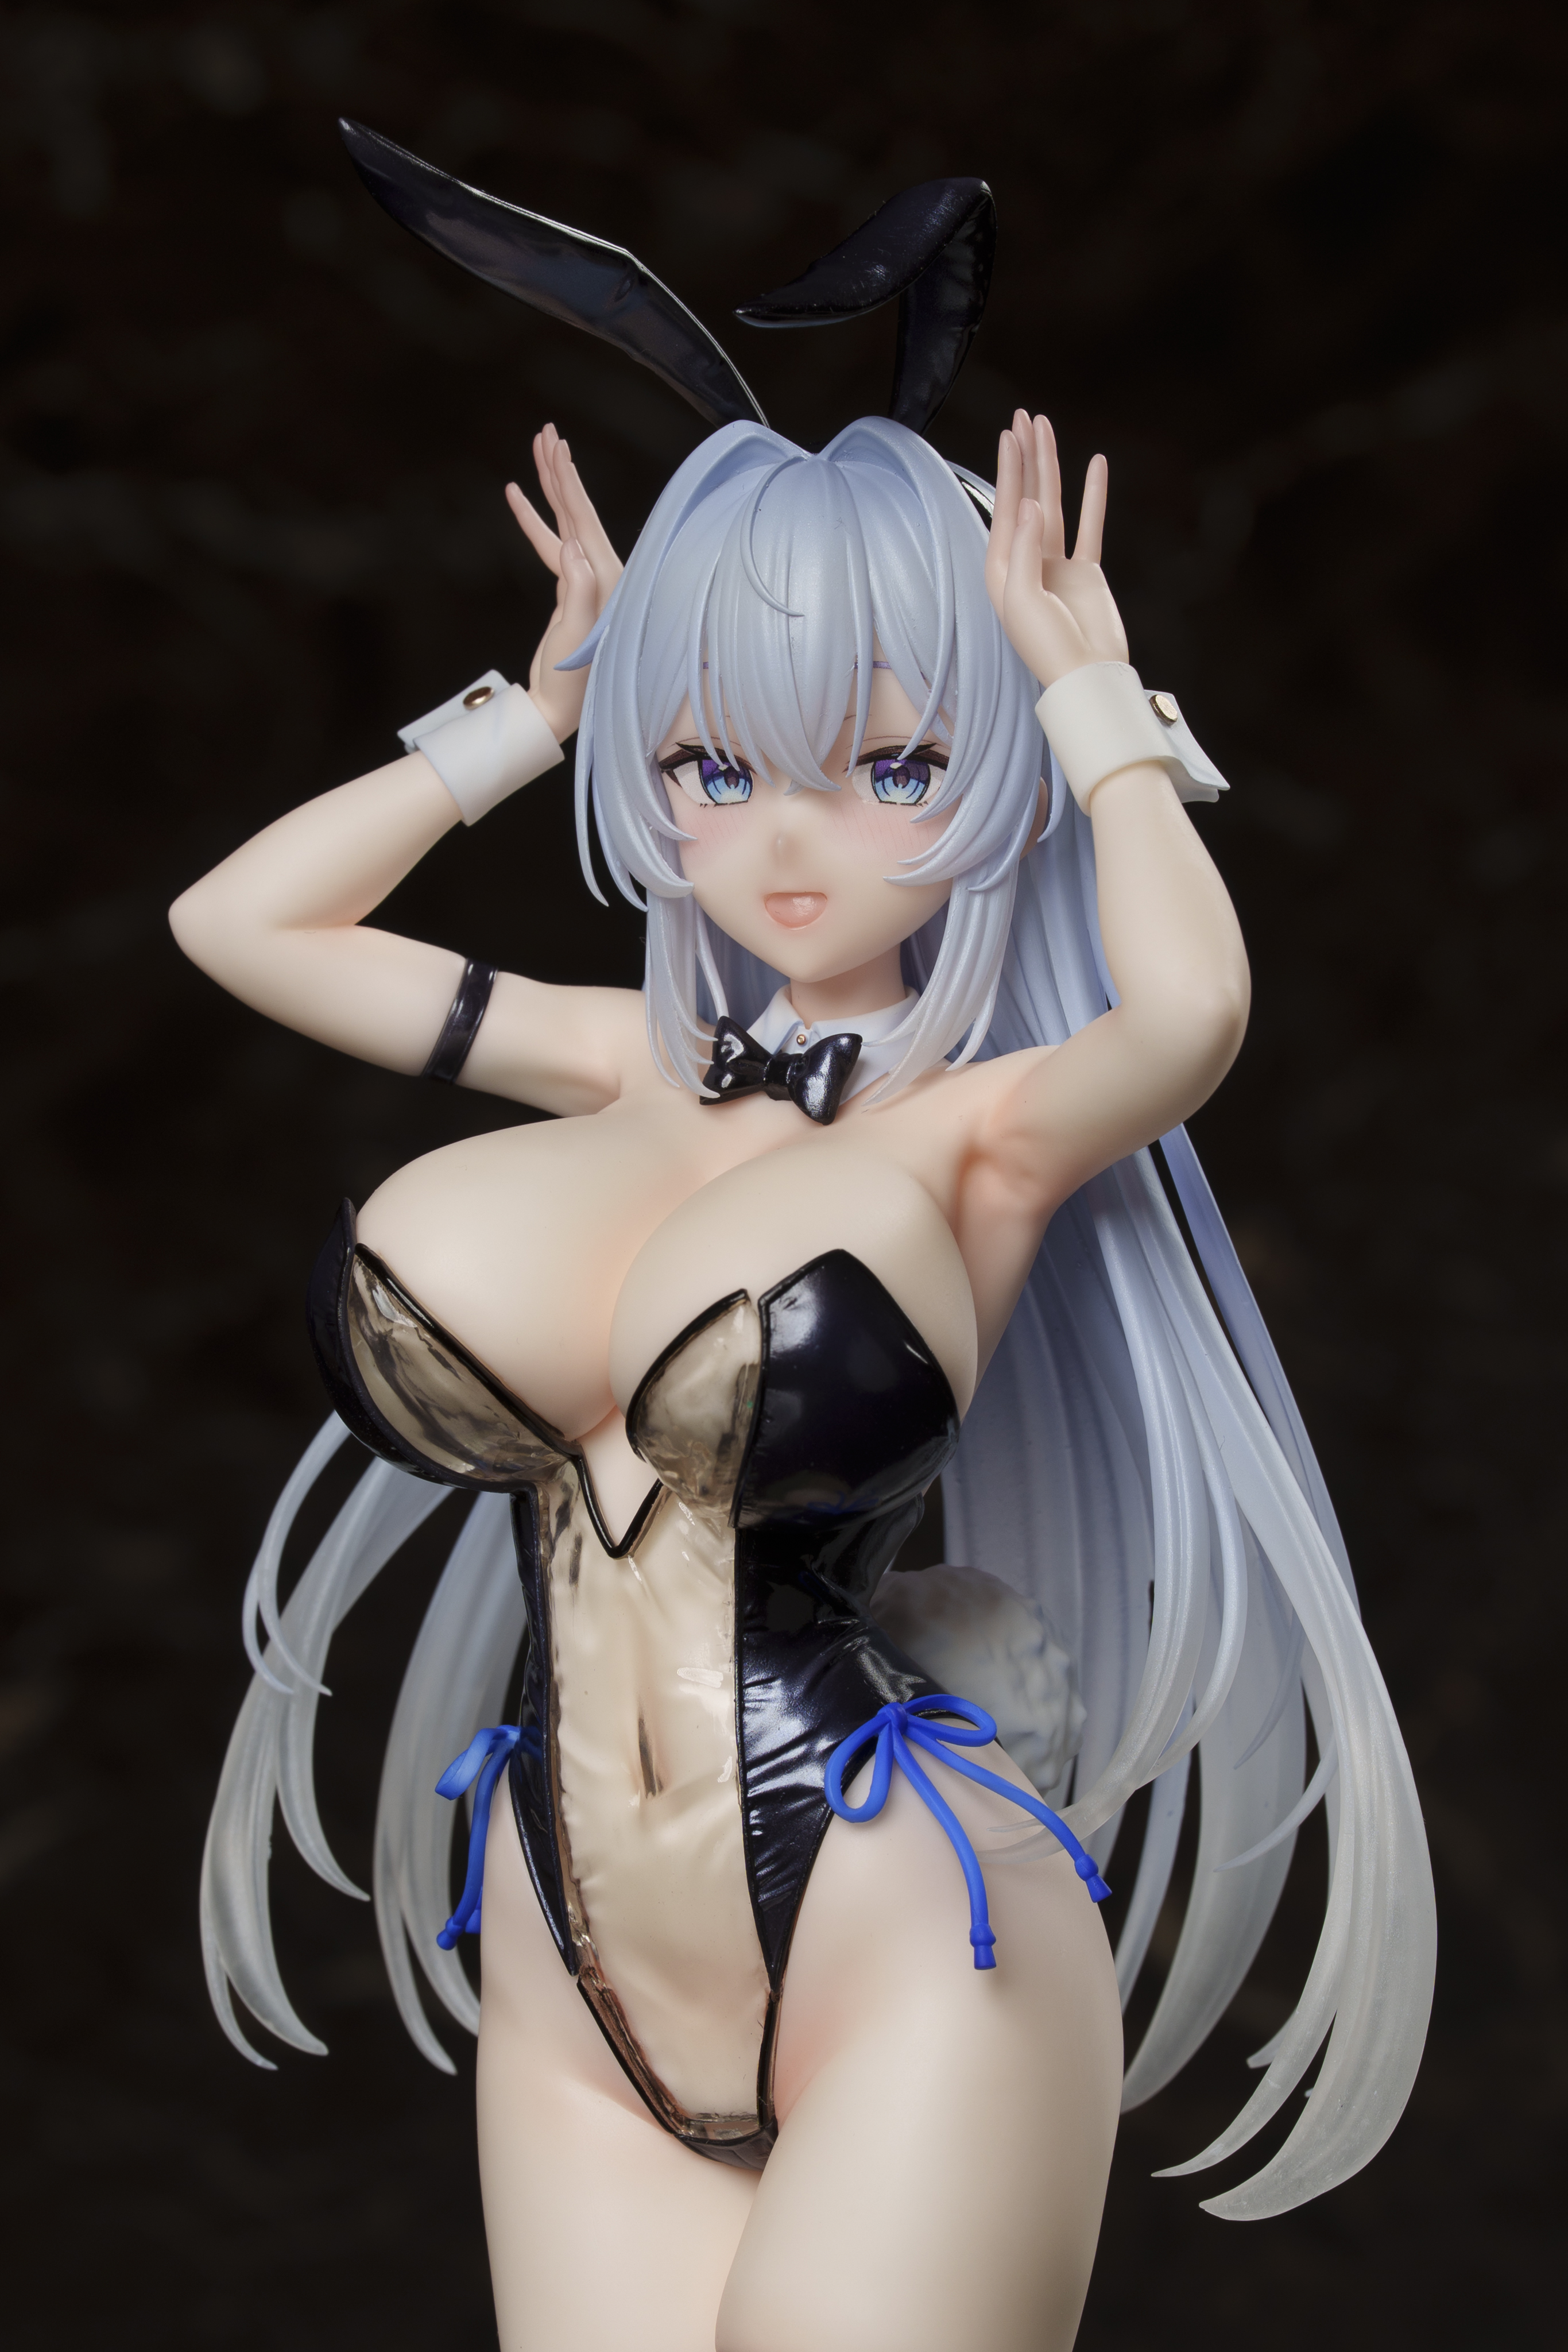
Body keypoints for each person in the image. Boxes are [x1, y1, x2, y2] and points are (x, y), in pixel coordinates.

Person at [173, 152, 1434, 2352]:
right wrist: (534, 715)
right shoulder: (615, 1057)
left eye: (891, 762)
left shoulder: (980, 1130)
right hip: (567, 1941)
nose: (781, 842)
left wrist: (1093, 705)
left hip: (898, 1911)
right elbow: (240, 925)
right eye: (709, 762)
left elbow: (1188, 1019)